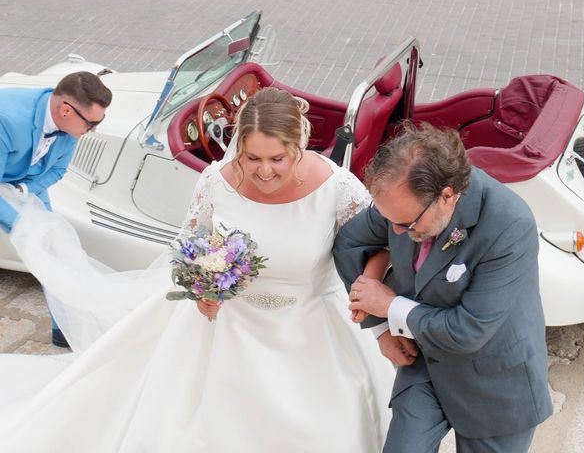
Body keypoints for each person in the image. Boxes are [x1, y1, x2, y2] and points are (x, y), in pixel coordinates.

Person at [0, 87, 394, 452]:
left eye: (278, 158)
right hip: (222, 324)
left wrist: (367, 283)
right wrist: (200, 286)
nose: (264, 171)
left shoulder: (338, 187)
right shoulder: (216, 181)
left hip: (314, 329)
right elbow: (187, 245)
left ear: (299, 146)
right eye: (251, 157)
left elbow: (381, 242)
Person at [333, 123, 553, 453]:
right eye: (387, 219)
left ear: (446, 196)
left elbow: (469, 330)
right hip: (426, 364)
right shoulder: (402, 202)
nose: (393, 231)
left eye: (406, 224)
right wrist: (381, 328)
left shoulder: (510, 225)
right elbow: (349, 244)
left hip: (494, 382)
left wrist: (390, 306)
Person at [0, 71, 112, 348]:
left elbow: (58, 171)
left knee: (55, 249)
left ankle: (64, 327)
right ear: (65, 110)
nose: (93, 130)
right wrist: (26, 227)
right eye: (91, 123)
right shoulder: (6, 119)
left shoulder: (72, 124)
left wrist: (25, 191)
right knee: (35, 237)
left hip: (26, 183)